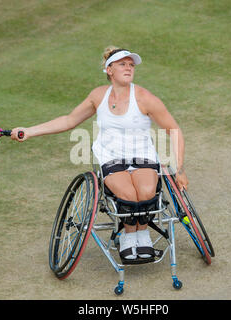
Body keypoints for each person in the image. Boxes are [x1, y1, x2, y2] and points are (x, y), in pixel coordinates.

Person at [11, 46, 188, 260]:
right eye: (122, 64)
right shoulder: (98, 96)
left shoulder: (145, 98)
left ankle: (142, 236)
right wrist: (29, 131)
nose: (128, 67)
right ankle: (129, 239)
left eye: (131, 64)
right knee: (128, 196)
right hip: (111, 158)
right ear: (109, 69)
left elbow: (174, 130)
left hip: (143, 157)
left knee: (147, 193)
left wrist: (179, 169)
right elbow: (69, 120)